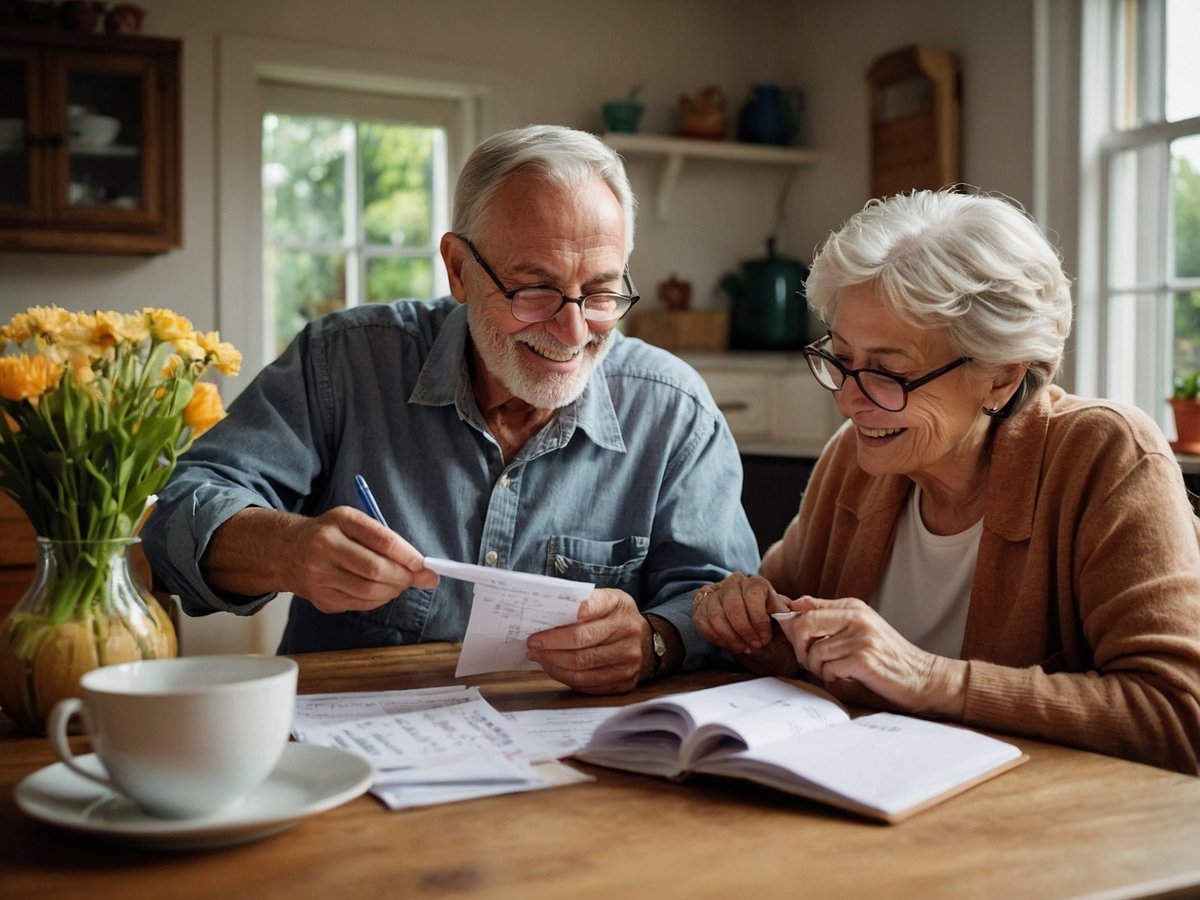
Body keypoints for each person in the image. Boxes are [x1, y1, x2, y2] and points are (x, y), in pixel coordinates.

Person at [143, 124, 760, 694]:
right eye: (536, 289)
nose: (574, 331)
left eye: (600, 291)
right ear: (460, 269)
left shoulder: (673, 410)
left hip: (576, 765)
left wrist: (656, 640)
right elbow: (176, 519)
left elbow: (725, 606)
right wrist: (288, 550)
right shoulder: (343, 363)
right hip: (353, 754)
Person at [691, 189, 1200, 773]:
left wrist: (930, 679)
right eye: (842, 358)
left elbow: (1178, 716)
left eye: (888, 371)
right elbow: (780, 630)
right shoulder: (855, 459)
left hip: (1047, 837)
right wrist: (741, 615)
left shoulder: (1105, 455)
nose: (852, 401)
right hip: (870, 800)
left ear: (1002, 379)